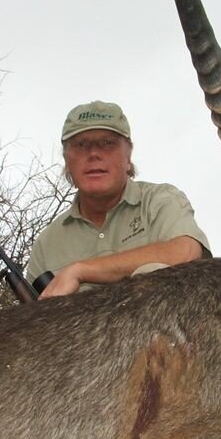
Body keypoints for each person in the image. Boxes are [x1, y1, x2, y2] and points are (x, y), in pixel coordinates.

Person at [27, 101, 210, 298]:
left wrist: (79, 271)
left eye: (107, 143)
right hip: (81, 330)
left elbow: (186, 252)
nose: (94, 154)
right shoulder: (46, 245)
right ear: (66, 160)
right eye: (81, 145)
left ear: (128, 155)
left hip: (167, 327)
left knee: (154, 272)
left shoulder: (159, 200)